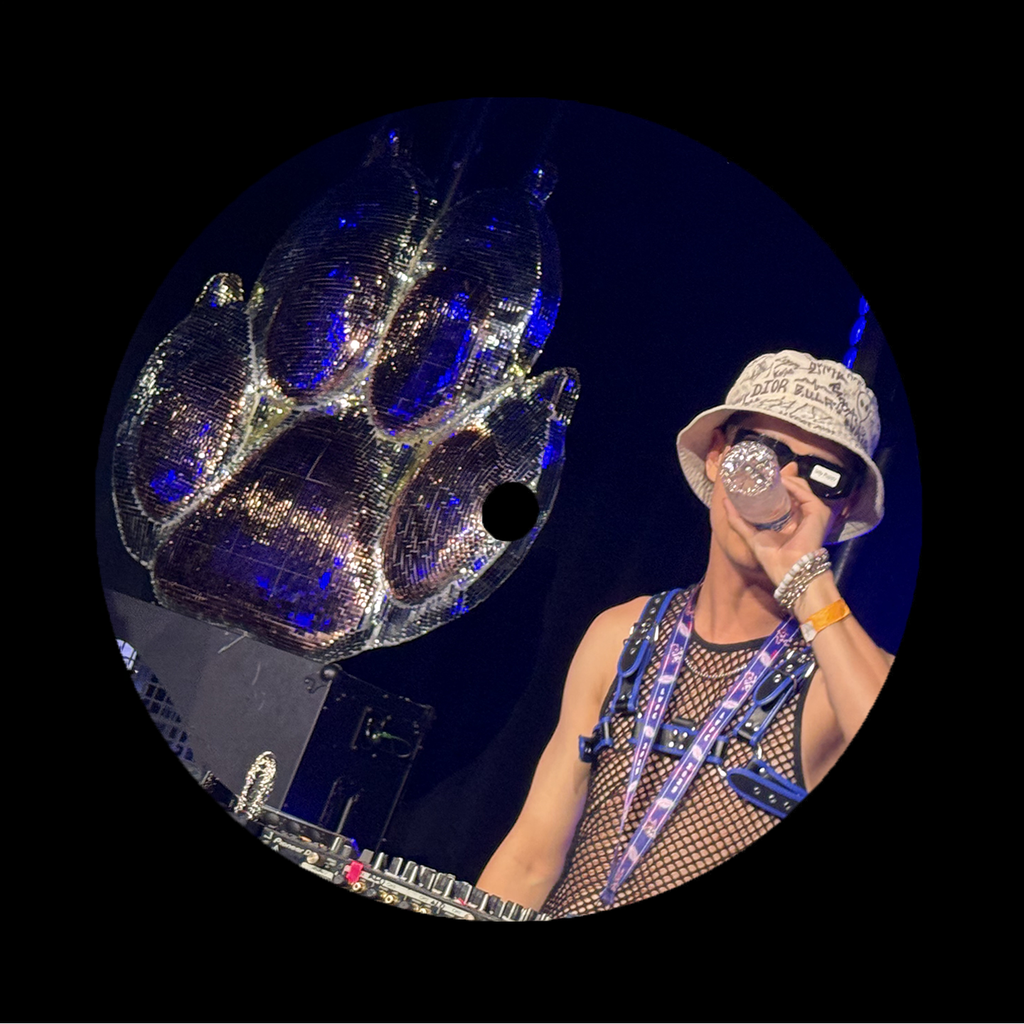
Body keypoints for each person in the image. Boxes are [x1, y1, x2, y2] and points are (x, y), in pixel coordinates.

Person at [476, 350, 895, 916]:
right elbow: (530, 859)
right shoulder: (623, 634)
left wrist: (805, 577)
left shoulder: (839, 674)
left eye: (823, 476)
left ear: (843, 510)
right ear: (719, 456)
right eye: (764, 454)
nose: (786, 483)